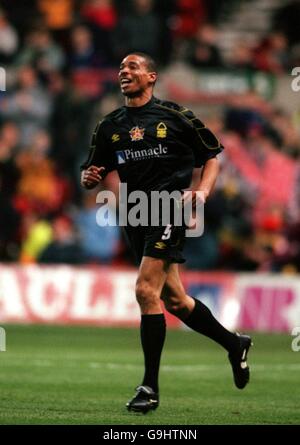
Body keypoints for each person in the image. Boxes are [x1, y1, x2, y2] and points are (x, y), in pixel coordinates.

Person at [80, 52, 252, 414]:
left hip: (169, 208)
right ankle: (234, 344)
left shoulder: (175, 117)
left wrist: (202, 192)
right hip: (135, 214)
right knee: (174, 299)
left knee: (145, 290)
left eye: (133, 67)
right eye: (121, 67)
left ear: (152, 76)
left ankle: (150, 387)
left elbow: (212, 156)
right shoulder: (110, 125)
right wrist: (89, 178)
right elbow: (92, 170)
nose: (124, 72)